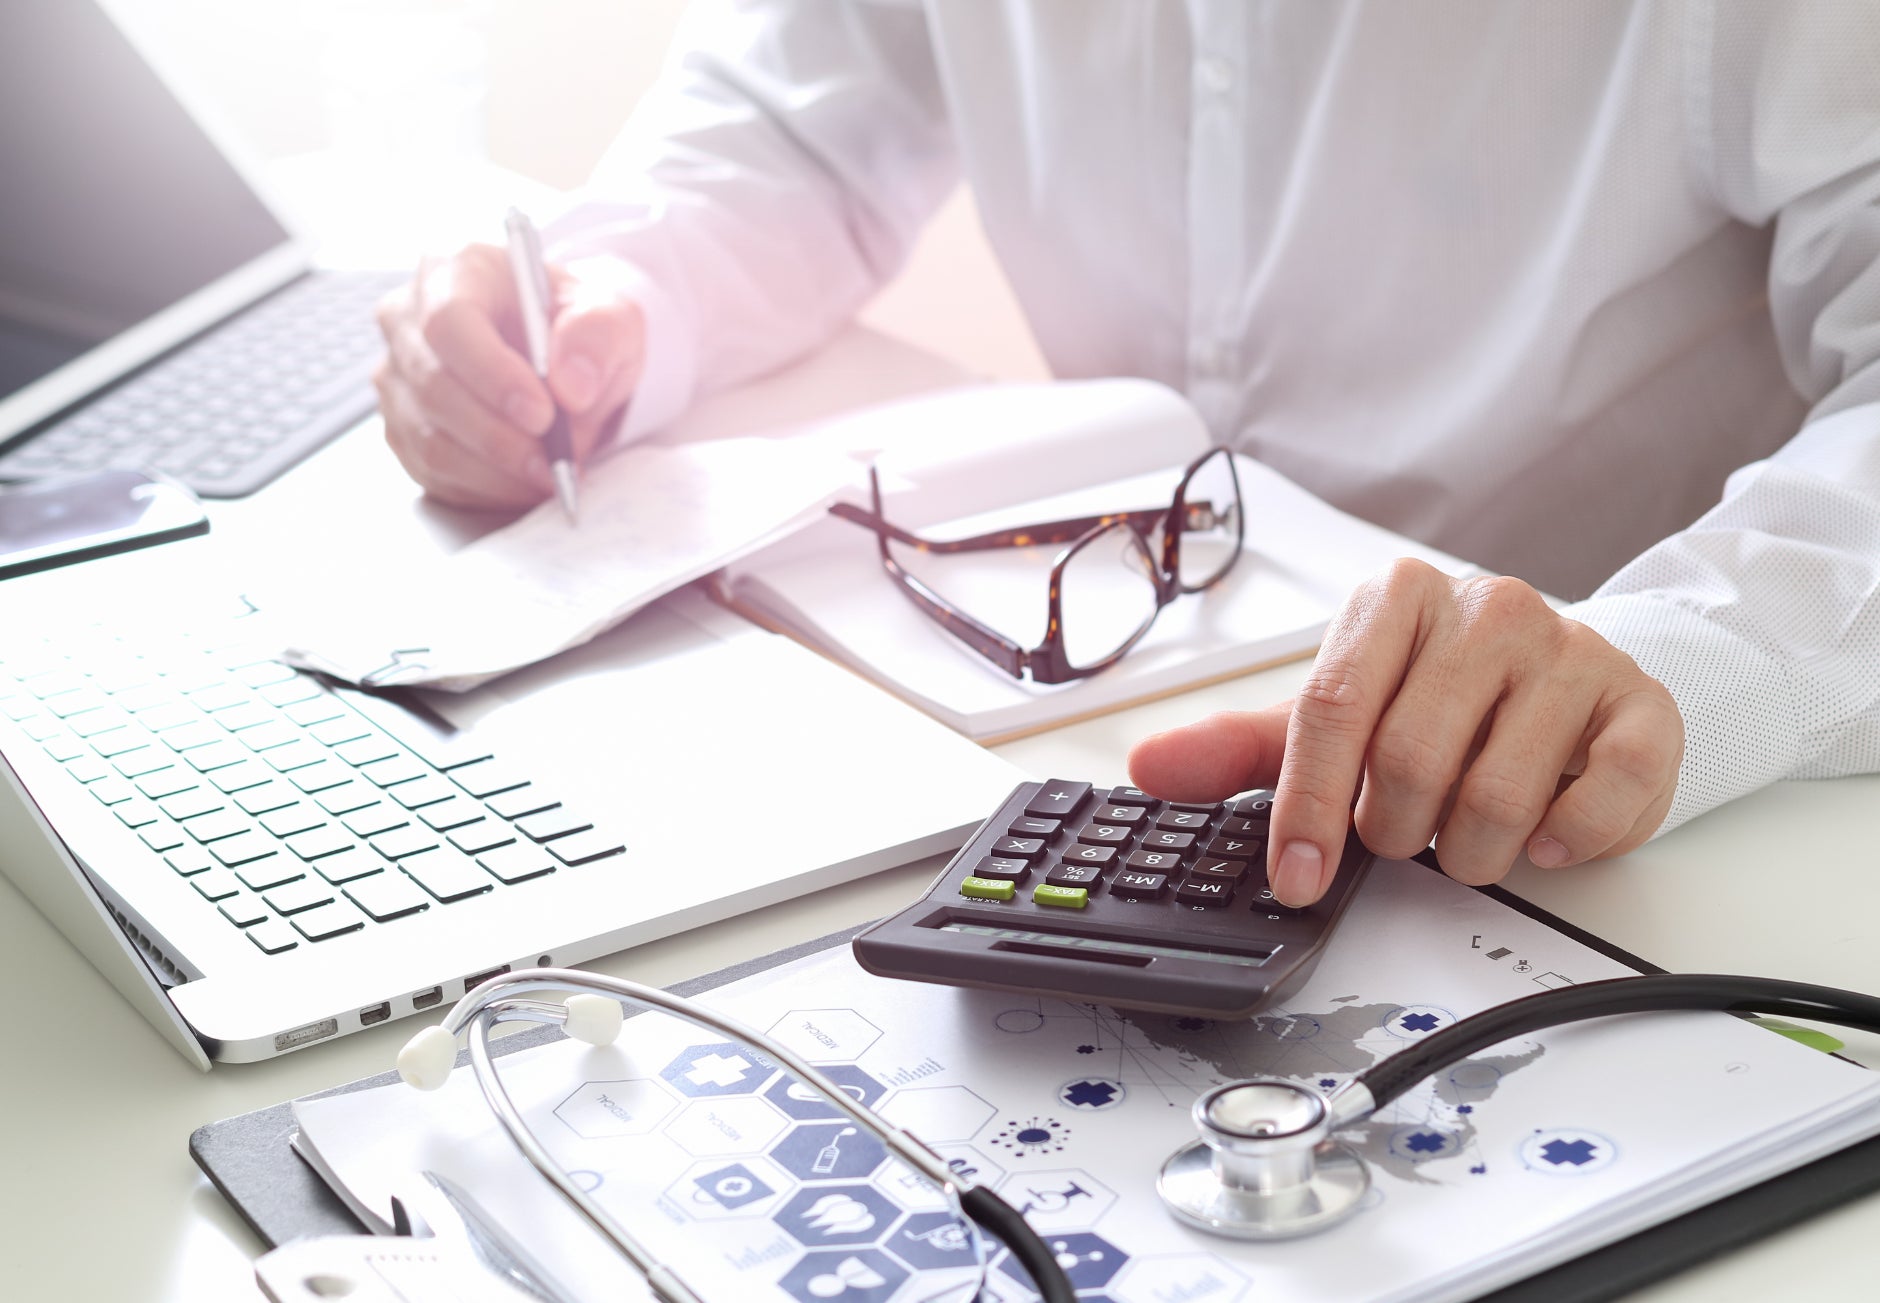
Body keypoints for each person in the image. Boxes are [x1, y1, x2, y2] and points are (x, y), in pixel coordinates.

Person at [374, 2, 1880, 908]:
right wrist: (606, 308)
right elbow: (796, 125)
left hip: (1599, 809)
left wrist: (1681, 655)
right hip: (1099, 687)